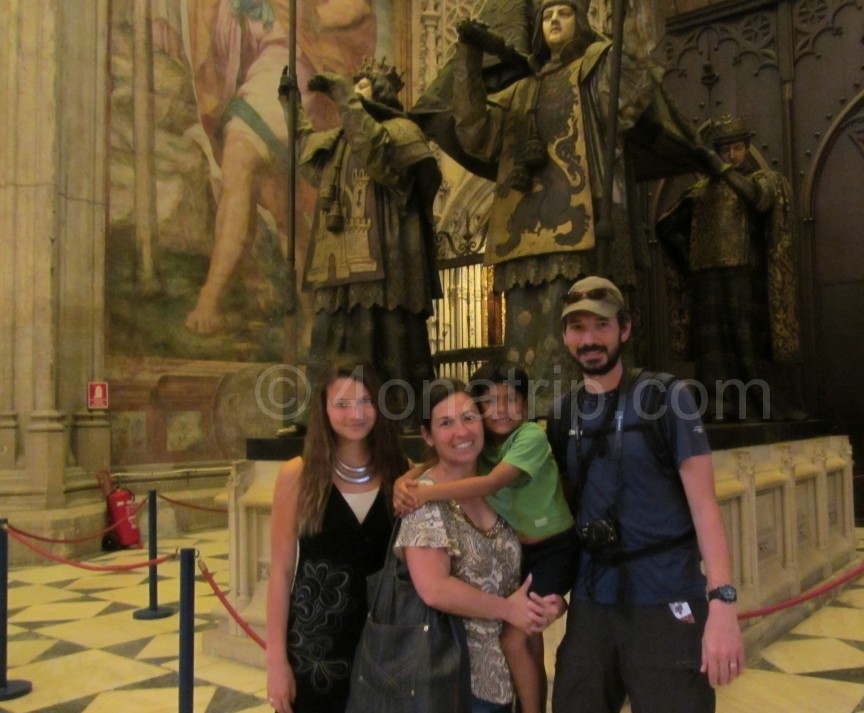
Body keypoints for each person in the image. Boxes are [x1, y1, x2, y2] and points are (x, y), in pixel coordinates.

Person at [547, 276, 745, 713]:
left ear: (625, 329)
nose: (589, 338)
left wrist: (722, 604)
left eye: (601, 325)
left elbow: (705, 507)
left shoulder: (666, 399)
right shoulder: (561, 413)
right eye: (577, 328)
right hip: (593, 602)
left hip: (666, 598)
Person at [450, 0, 656, 411]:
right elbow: (476, 133)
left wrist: (634, 15)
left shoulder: (595, 68)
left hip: (582, 219)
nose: (555, 21)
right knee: (525, 332)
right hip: (526, 229)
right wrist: (468, 58)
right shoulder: (521, 91)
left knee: (581, 318)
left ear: (581, 21)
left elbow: (632, 86)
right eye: (547, 15)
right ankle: (532, 411)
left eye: (564, 12)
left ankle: (586, 409)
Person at [395, 363, 577, 713]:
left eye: (467, 418)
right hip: (458, 682)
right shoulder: (423, 502)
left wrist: (552, 603)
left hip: (507, 685)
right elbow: (434, 589)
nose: (461, 431)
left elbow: (527, 567)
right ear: (428, 435)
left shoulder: (503, 465)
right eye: (445, 423)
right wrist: (413, 484)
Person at [185, 0, 376, 336]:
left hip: (287, 83)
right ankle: (311, 321)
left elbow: (355, 10)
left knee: (239, 162)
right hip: (272, 81)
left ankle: (209, 300)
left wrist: (303, 13)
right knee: (287, 216)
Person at [265, 355, 409, 713]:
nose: (355, 413)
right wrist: (276, 660)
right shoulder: (299, 475)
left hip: (382, 652)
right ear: (324, 409)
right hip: (317, 653)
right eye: (342, 403)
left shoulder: (400, 472)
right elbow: (280, 571)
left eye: (365, 402)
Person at [278, 61, 441, 422]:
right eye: (354, 85)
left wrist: (341, 95)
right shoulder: (339, 140)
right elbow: (308, 157)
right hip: (340, 259)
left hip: (386, 257)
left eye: (363, 85)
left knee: (385, 339)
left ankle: (396, 415)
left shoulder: (401, 130)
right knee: (332, 338)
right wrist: (290, 106)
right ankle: (320, 419)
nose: (355, 91)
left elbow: (378, 157)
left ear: (382, 91)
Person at [656, 114, 802, 421]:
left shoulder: (762, 180)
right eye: (724, 150)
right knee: (712, 351)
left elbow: (759, 200)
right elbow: (665, 224)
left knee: (747, 345)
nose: (731, 155)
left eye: (737, 148)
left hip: (744, 276)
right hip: (707, 279)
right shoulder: (700, 191)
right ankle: (720, 406)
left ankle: (760, 405)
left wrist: (721, 170)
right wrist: (690, 261)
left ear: (747, 147)